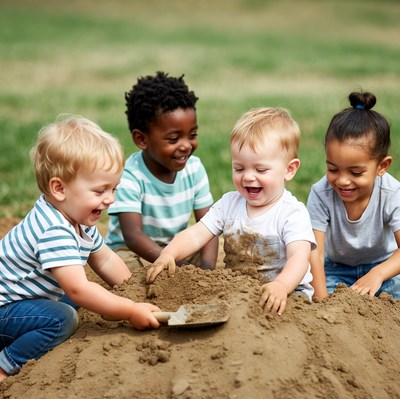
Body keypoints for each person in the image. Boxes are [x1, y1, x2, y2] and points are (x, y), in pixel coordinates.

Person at [0, 115, 161, 382]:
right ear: (60, 188)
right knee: (63, 318)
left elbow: (105, 259)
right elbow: (78, 288)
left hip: (22, 303)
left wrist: (133, 292)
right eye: (100, 191)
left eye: (114, 189)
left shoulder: (76, 218)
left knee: (79, 298)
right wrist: (129, 310)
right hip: (5, 310)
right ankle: (6, 365)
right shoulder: (54, 230)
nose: (110, 199)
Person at [147, 107, 316, 316]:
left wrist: (281, 285)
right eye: (239, 168)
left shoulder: (292, 213)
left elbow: (299, 257)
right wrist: (169, 253)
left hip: (288, 293)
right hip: (239, 290)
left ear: (289, 169)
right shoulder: (229, 204)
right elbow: (196, 234)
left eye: (260, 170)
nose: (248, 177)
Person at [105, 71, 218, 270]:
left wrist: (207, 272)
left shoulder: (194, 169)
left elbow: (208, 225)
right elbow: (133, 236)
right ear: (142, 139)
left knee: (203, 247)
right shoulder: (130, 176)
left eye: (192, 134)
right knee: (125, 267)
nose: (186, 145)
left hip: (174, 247)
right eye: (174, 139)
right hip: (131, 250)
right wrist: (178, 266)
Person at [307, 91, 400, 300]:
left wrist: (378, 274)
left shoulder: (392, 193)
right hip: (337, 269)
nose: (342, 180)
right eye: (332, 169)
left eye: (356, 172)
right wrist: (322, 303)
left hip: (384, 267)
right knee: (310, 292)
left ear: (382, 166)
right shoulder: (321, 193)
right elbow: (315, 252)